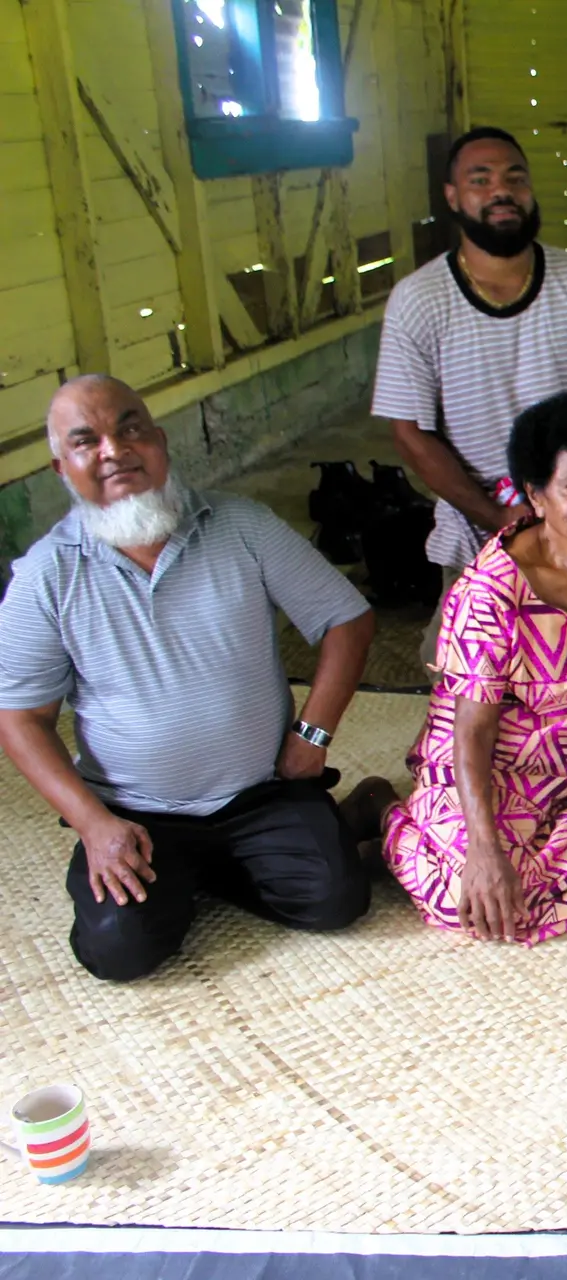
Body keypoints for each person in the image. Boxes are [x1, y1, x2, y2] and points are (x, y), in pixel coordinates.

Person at [0, 377, 388, 981]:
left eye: (130, 429)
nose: (113, 450)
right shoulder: (46, 576)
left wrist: (311, 737)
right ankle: (226, 862)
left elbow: (347, 619)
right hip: (135, 815)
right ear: (62, 468)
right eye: (87, 441)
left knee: (336, 900)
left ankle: (311, 830)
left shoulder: (241, 526)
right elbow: (22, 719)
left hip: (259, 789)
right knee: (117, 953)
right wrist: (93, 825)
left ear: (158, 440)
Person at [382, 394, 567, 944]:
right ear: (535, 495)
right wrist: (482, 848)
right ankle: (383, 813)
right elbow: (470, 728)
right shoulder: (488, 592)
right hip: (494, 767)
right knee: (469, 900)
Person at [374, 126, 567, 667]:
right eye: (481, 180)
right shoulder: (418, 301)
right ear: (453, 197)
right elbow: (411, 434)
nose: (502, 191)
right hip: (478, 530)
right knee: (459, 666)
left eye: (515, 178)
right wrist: (499, 517)